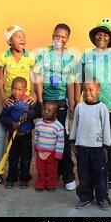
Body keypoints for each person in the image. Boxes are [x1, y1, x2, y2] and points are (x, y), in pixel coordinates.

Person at [75, 18, 111, 190]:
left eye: (105, 35)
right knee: (94, 143)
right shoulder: (86, 56)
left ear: (110, 39)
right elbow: (78, 80)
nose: (102, 37)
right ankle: (96, 174)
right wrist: (77, 102)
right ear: (94, 37)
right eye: (99, 34)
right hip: (91, 106)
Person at [0, 25, 37, 187]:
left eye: (23, 35)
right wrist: (2, 97)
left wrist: (33, 94)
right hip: (8, 100)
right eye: (17, 36)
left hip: (24, 100)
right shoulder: (4, 57)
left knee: (25, 133)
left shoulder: (29, 57)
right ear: (9, 41)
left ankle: (23, 172)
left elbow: (34, 76)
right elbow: (0, 78)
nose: (22, 38)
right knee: (1, 134)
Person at [33, 23, 77, 191]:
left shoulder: (70, 57)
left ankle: (68, 174)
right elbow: (37, 77)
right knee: (46, 139)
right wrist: (40, 101)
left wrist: (71, 104)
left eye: (63, 36)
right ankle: (47, 174)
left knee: (63, 140)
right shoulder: (44, 53)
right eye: (57, 36)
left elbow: (71, 82)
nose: (59, 39)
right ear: (52, 35)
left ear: (67, 39)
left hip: (61, 103)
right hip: (46, 103)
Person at [70, 81, 111, 211]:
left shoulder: (102, 108)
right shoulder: (80, 107)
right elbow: (75, 124)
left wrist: (106, 145)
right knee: (83, 174)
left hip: (98, 148)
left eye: (90, 89)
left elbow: (106, 127)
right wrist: (72, 140)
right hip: (82, 148)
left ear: (98, 90)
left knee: (100, 174)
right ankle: (85, 197)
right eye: (84, 90)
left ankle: (102, 198)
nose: (87, 92)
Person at [0, 77, 40, 189]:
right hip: (13, 136)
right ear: (11, 89)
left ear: (25, 90)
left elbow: (38, 112)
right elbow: (2, 117)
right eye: (14, 89)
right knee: (13, 158)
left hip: (26, 135)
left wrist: (29, 115)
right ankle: (11, 179)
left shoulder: (29, 101)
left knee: (26, 158)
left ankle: (24, 179)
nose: (17, 92)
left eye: (20, 89)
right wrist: (11, 123)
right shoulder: (10, 102)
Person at [34, 101, 65, 192]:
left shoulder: (58, 126)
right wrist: (35, 145)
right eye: (44, 109)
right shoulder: (39, 123)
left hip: (52, 153)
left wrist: (58, 154)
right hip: (40, 151)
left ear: (55, 114)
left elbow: (60, 141)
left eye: (49, 110)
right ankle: (40, 184)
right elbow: (36, 135)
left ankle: (51, 185)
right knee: (40, 170)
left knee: (51, 171)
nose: (46, 112)